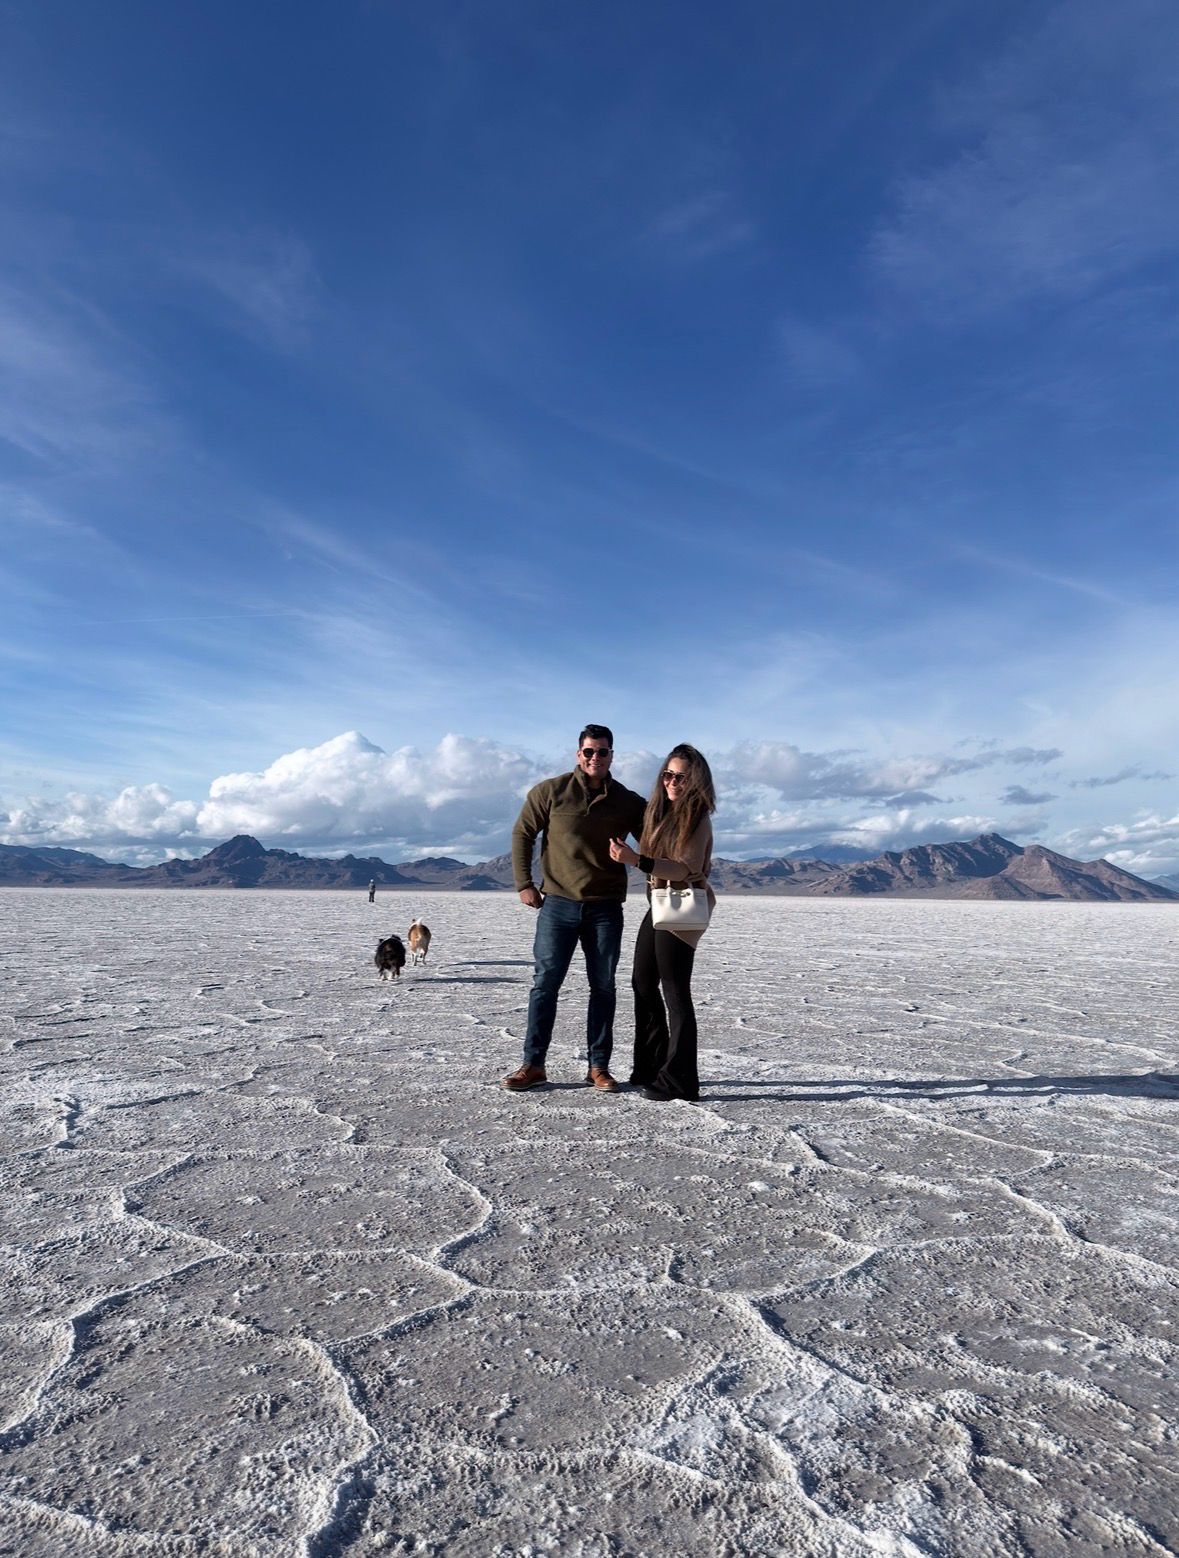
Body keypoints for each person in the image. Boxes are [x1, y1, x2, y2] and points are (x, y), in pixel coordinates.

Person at [503, 724, 647, 1093]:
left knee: (603, 987)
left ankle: (598, 1067)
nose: (595, 757)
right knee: (545, 985)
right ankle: (533, 1065)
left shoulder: (628, 801)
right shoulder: (551, 791)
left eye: (602, 751)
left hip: (605, 909)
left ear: (612, 755)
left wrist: (645, 860)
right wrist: (524, 883)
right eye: (589, 751)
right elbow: (523, 833)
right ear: (578, 754)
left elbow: (656, 838)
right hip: (558, 905)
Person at [609, 743, 716, 1101]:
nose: (672, 782)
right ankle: (651, 1066)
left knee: (675, 989)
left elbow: (685, 867)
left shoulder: (697, 817)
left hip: (681, 908)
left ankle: (680, 1081)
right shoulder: (663, 813)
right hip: (659, 904)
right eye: (668, 775)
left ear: (696, 781)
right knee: (642, 981)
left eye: (681, 777)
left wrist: (637, 860)